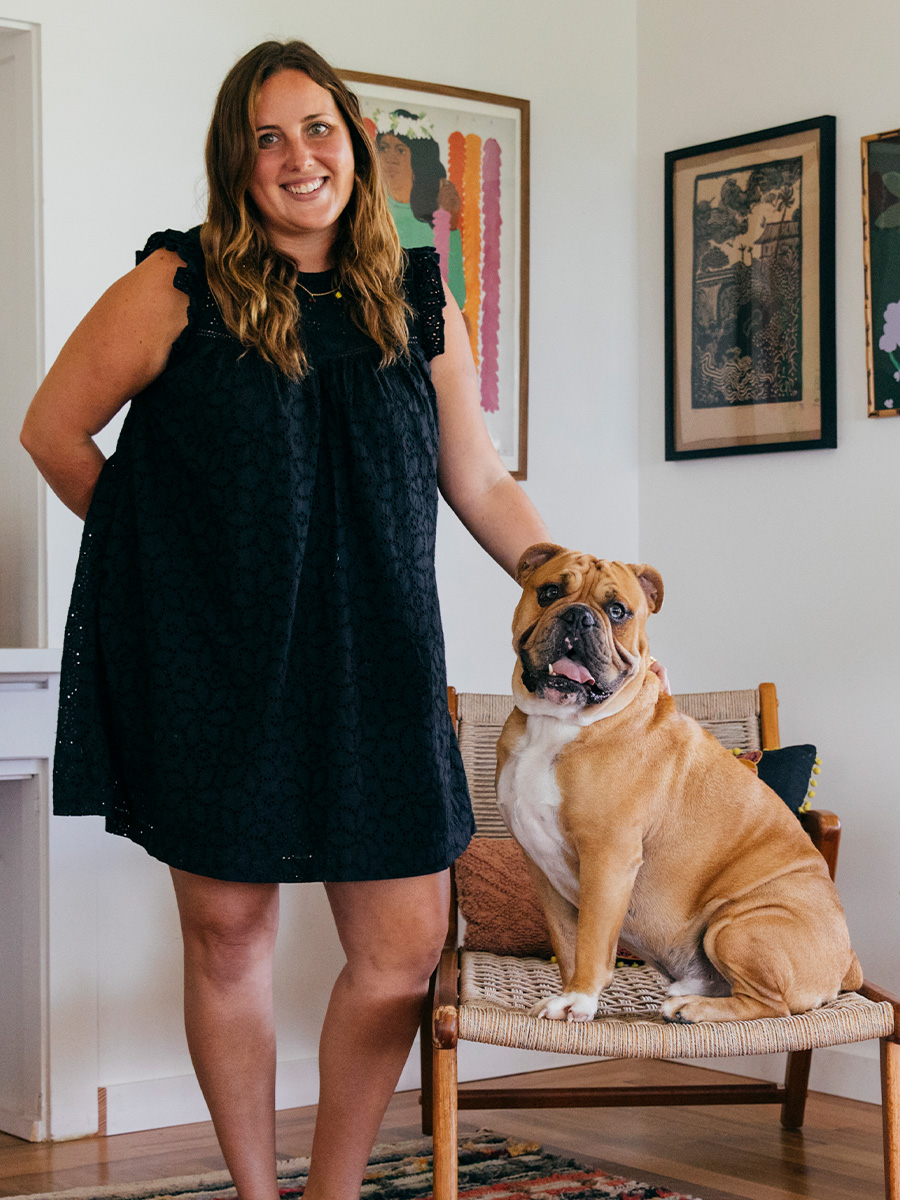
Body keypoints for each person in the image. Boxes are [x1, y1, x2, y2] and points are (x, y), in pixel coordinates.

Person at [21, 38, 668, 1200]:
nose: (297, 155)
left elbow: (474, 477)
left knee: (403, 951)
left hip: (377, 661)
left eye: (316, 127)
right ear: (237, 161)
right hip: (217, 667)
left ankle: (331, 1192)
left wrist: (565, 580)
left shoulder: (417, 292)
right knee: (229, 940)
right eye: (266, 136)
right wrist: (158, 563)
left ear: (357, 143)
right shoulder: (178, 282)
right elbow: (54, 432)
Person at [374, 111, 466, 309]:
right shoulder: (368, 212)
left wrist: (450, 226)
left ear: (417, 158)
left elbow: (455, 301)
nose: (390, 158)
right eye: (384, 148)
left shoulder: (436, 219)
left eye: (400, 150)